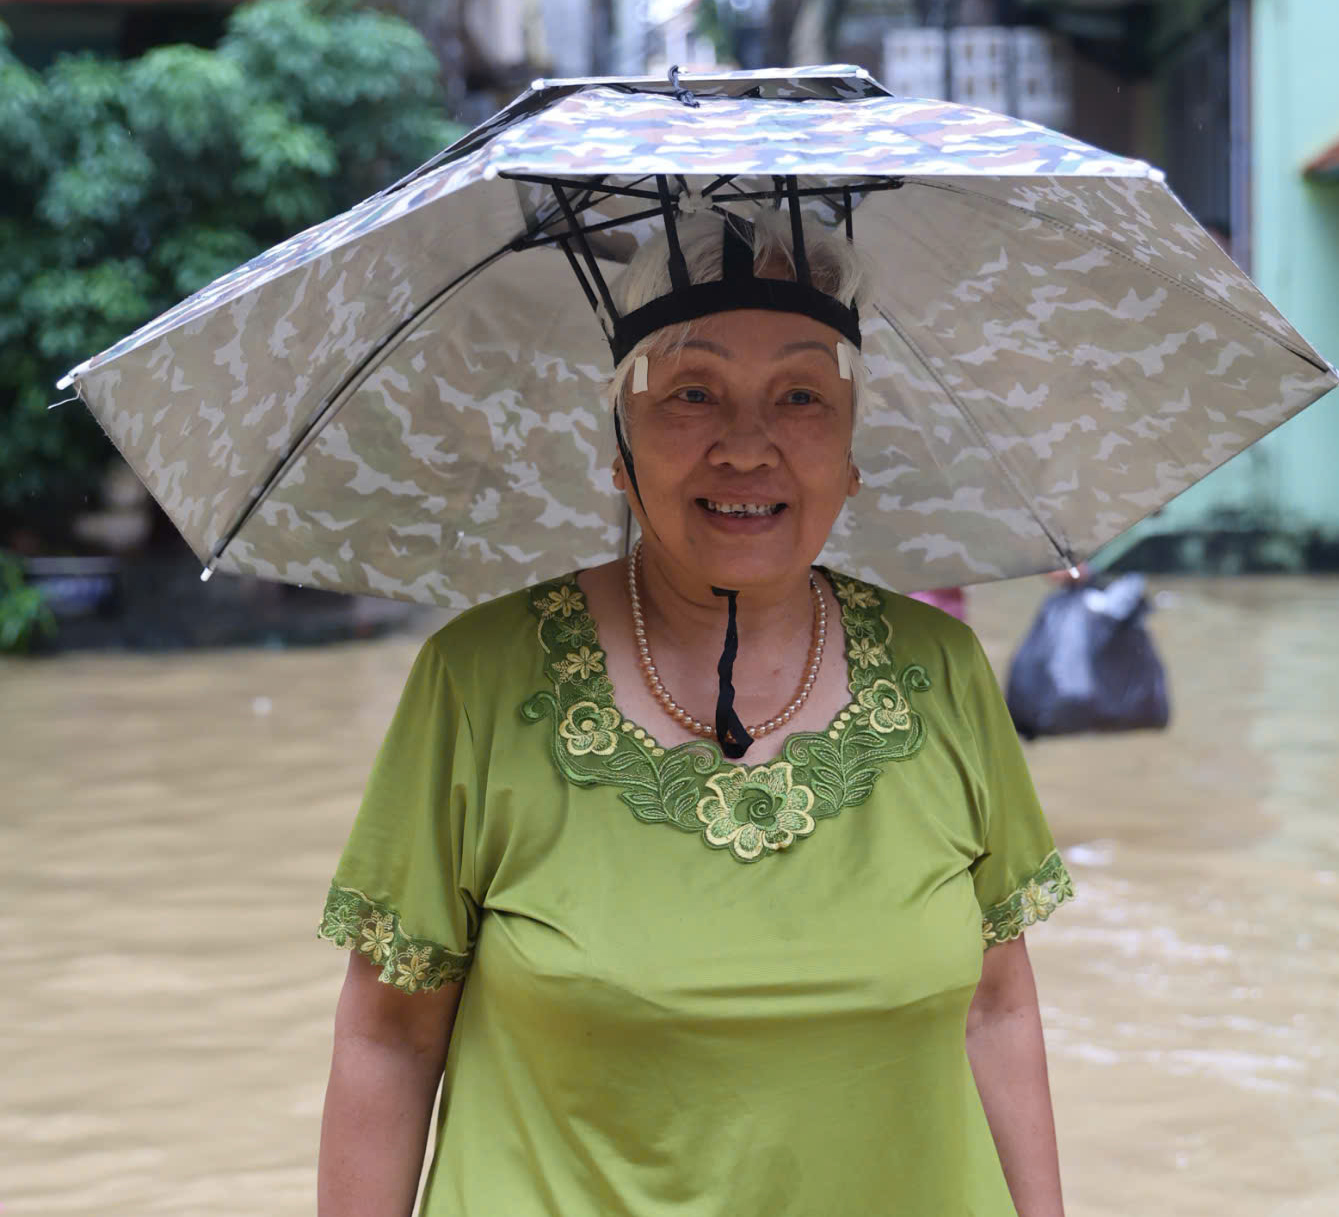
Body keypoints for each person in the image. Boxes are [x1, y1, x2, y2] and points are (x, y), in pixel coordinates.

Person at [315, 207, 1075, 1216]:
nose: (747, 445)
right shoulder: (477, 681)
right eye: (691, 393)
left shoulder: (945, 673)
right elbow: (391, 1038)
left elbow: (997, 1007)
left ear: (852, 452)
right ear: (620, 450)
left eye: (802, 393)